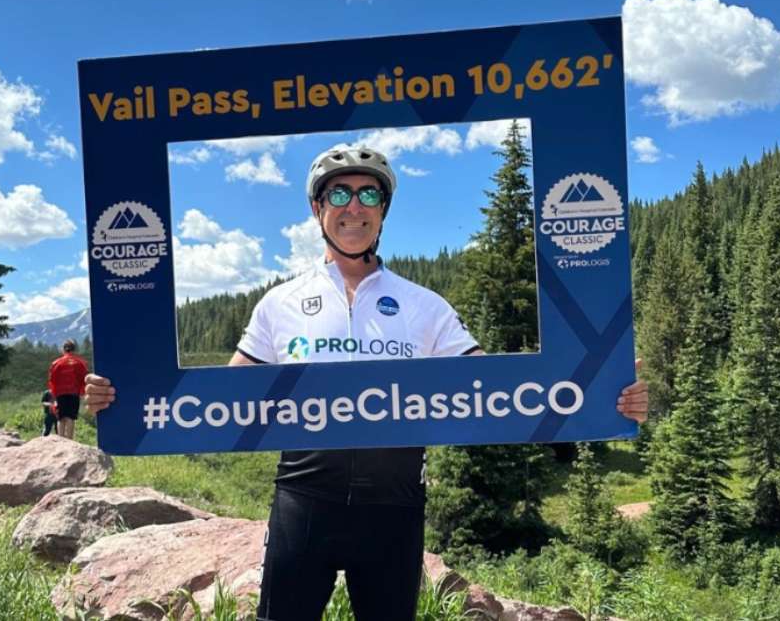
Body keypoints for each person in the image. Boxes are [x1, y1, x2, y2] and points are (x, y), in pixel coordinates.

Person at [85, 144, 649, 620]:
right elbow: (221, 404)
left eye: (369, 195)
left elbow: (505, 392)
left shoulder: (424, 305)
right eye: (339, 194)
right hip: (304, 498)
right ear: (316, 208)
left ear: (383, 212)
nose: (354, 207)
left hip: (395, 505)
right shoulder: (279, 305)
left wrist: (604, 395)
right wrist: (126, 401)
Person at [48, 339, 88, 440]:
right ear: (74, 349)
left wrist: (54, 394)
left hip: (60, 394)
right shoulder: (80, 363)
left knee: (61, 418)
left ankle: (61, 441)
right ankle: (70, 441)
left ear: (63, 350)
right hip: (74, 393)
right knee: (71, 417)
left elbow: (52, 380)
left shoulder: (56, 363)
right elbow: (84, 378)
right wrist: (82, 392)